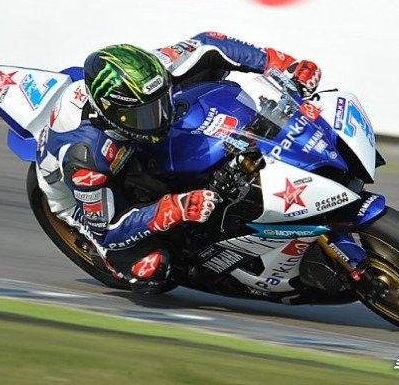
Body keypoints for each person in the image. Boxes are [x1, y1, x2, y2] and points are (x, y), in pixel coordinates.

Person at [36, 31, 321, 293]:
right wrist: (174, 208)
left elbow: (211, 43)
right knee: (152, 270)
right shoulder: (87, 161)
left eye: (161, 102)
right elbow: (109, 230)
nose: (159, 116)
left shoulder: (150, 74)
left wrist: (281, 64)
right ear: (112, 114)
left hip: (129, 144)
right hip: (83, 202)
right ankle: (126, 263)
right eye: (145, 115)